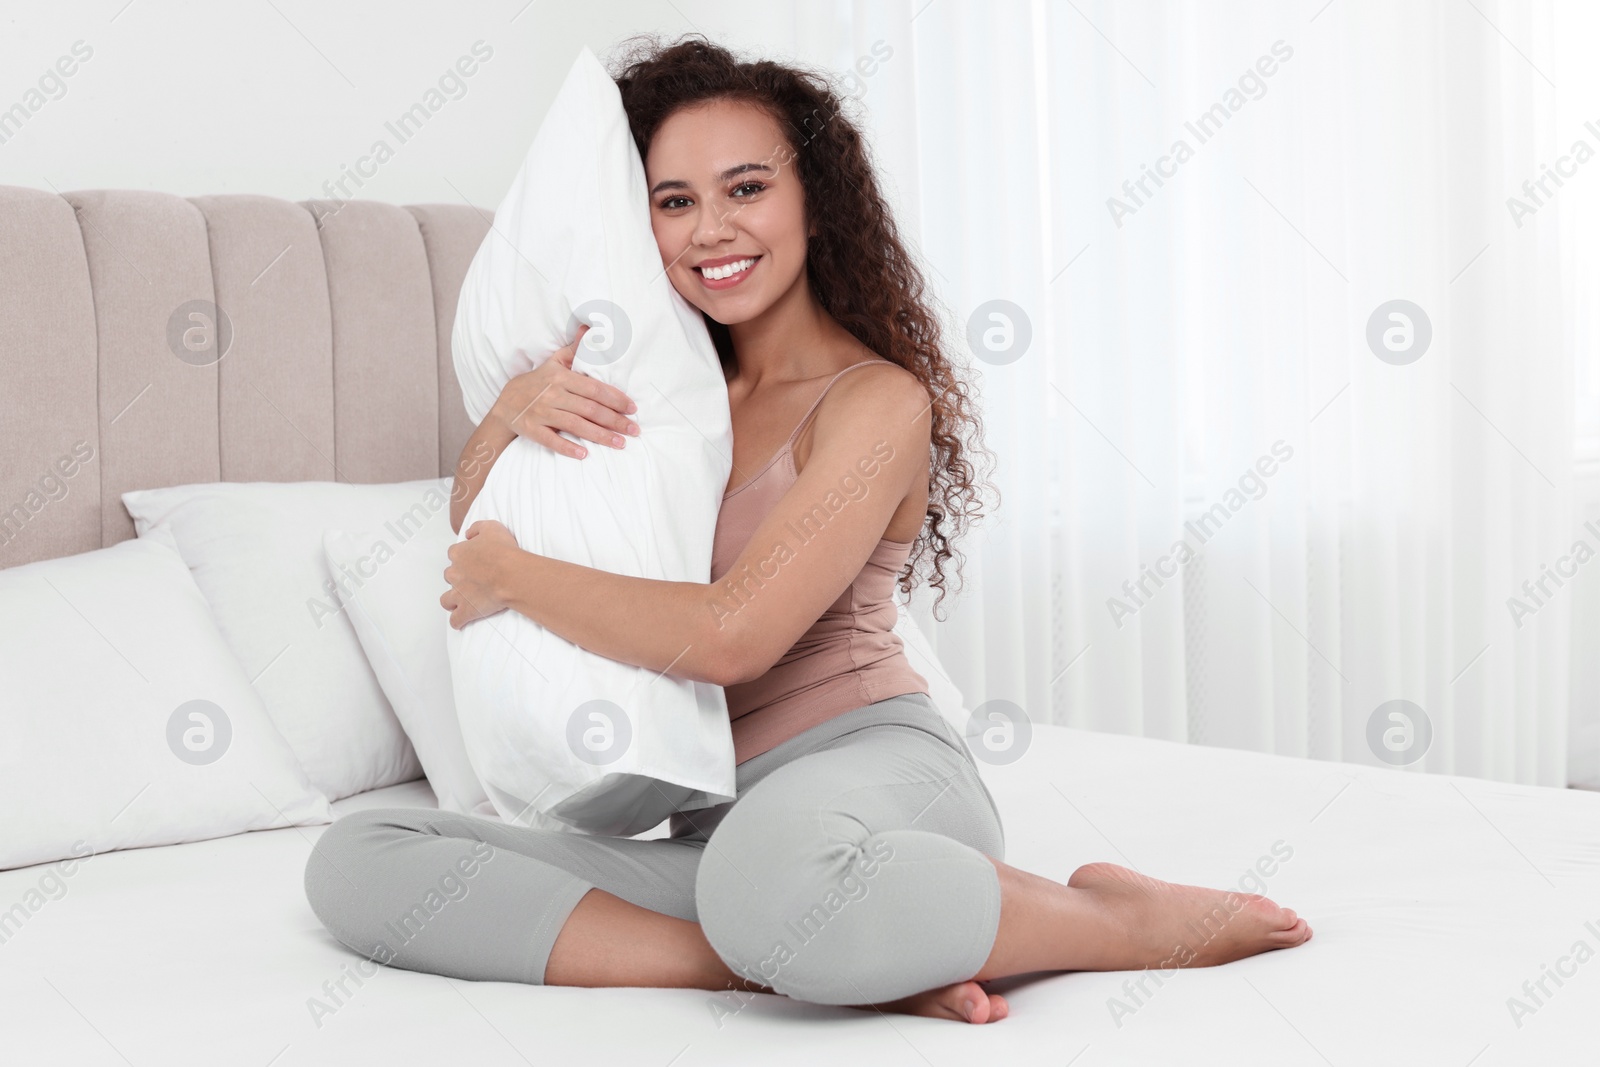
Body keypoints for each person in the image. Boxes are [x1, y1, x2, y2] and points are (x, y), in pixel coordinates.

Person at [305, 34, 1311, 1024]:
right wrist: (510, 411)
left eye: (746, 189)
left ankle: (1110, 918)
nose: (710, 229)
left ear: (814, 203)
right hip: (716, 825)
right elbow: (480, 514)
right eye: (674, 201)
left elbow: (734, 631)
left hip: (875, 773)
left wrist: (517, 581)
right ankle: (791, 954)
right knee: (361, 858)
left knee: (769, 875)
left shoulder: (873, 402)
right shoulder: (657, 392)